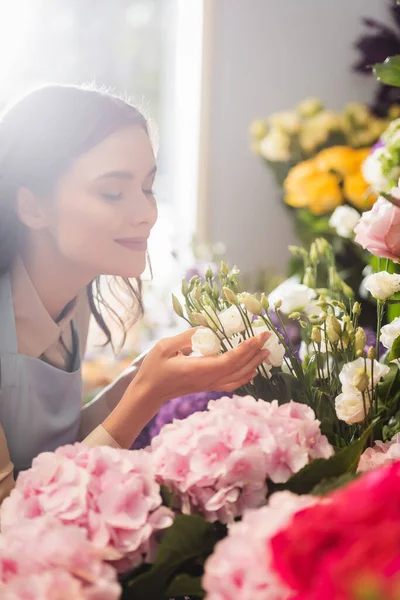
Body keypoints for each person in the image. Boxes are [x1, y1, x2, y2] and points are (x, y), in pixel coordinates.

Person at [0, 84, 270, 502]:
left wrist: (146, 378)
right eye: (112, 192)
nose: (146, 214)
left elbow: (51, 456)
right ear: (32, 207)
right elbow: (8, 520)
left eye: (147, 187)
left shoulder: (72, 296)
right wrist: (148, 393)